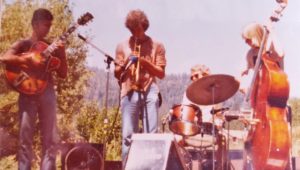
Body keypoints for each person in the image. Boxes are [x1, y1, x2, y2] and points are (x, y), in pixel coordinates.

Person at [0, 8, 67, 169]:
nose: (48, 29)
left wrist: (62, 53)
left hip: (48, 92)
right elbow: (4, 57)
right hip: (27, 94)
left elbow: (63, 73)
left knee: (50, 140)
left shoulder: (52, 46)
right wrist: (28, 61)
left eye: (50, 26)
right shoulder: (23, 44)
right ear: (35, 24)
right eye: (45, 25)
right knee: (25, 140)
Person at [114, 9, 166, 163]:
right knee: (128, 136)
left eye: (137, 28)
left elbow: (161, 73)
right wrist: (123, 65)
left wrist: (144, 62)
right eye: (132, 29)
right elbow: (117, 74)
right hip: (129, 90)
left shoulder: (157, 45)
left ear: (144, 26)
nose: (135, 33)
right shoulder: (122, 46)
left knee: (151, 134)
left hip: (150, 89)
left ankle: (150, 166)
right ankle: (127, 166)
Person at [179, 64, 228, 170]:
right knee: (176, 139)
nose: (193, 79)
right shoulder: (188, 94)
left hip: (211, 129)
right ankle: (183, 166)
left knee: (224, 139)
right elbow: (185, 114)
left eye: (196, 75)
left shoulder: (215, 93)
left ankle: (220, 167)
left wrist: (217, 123)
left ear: (205, 76)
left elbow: (219, 116)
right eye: (192, 77)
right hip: (193, 129)